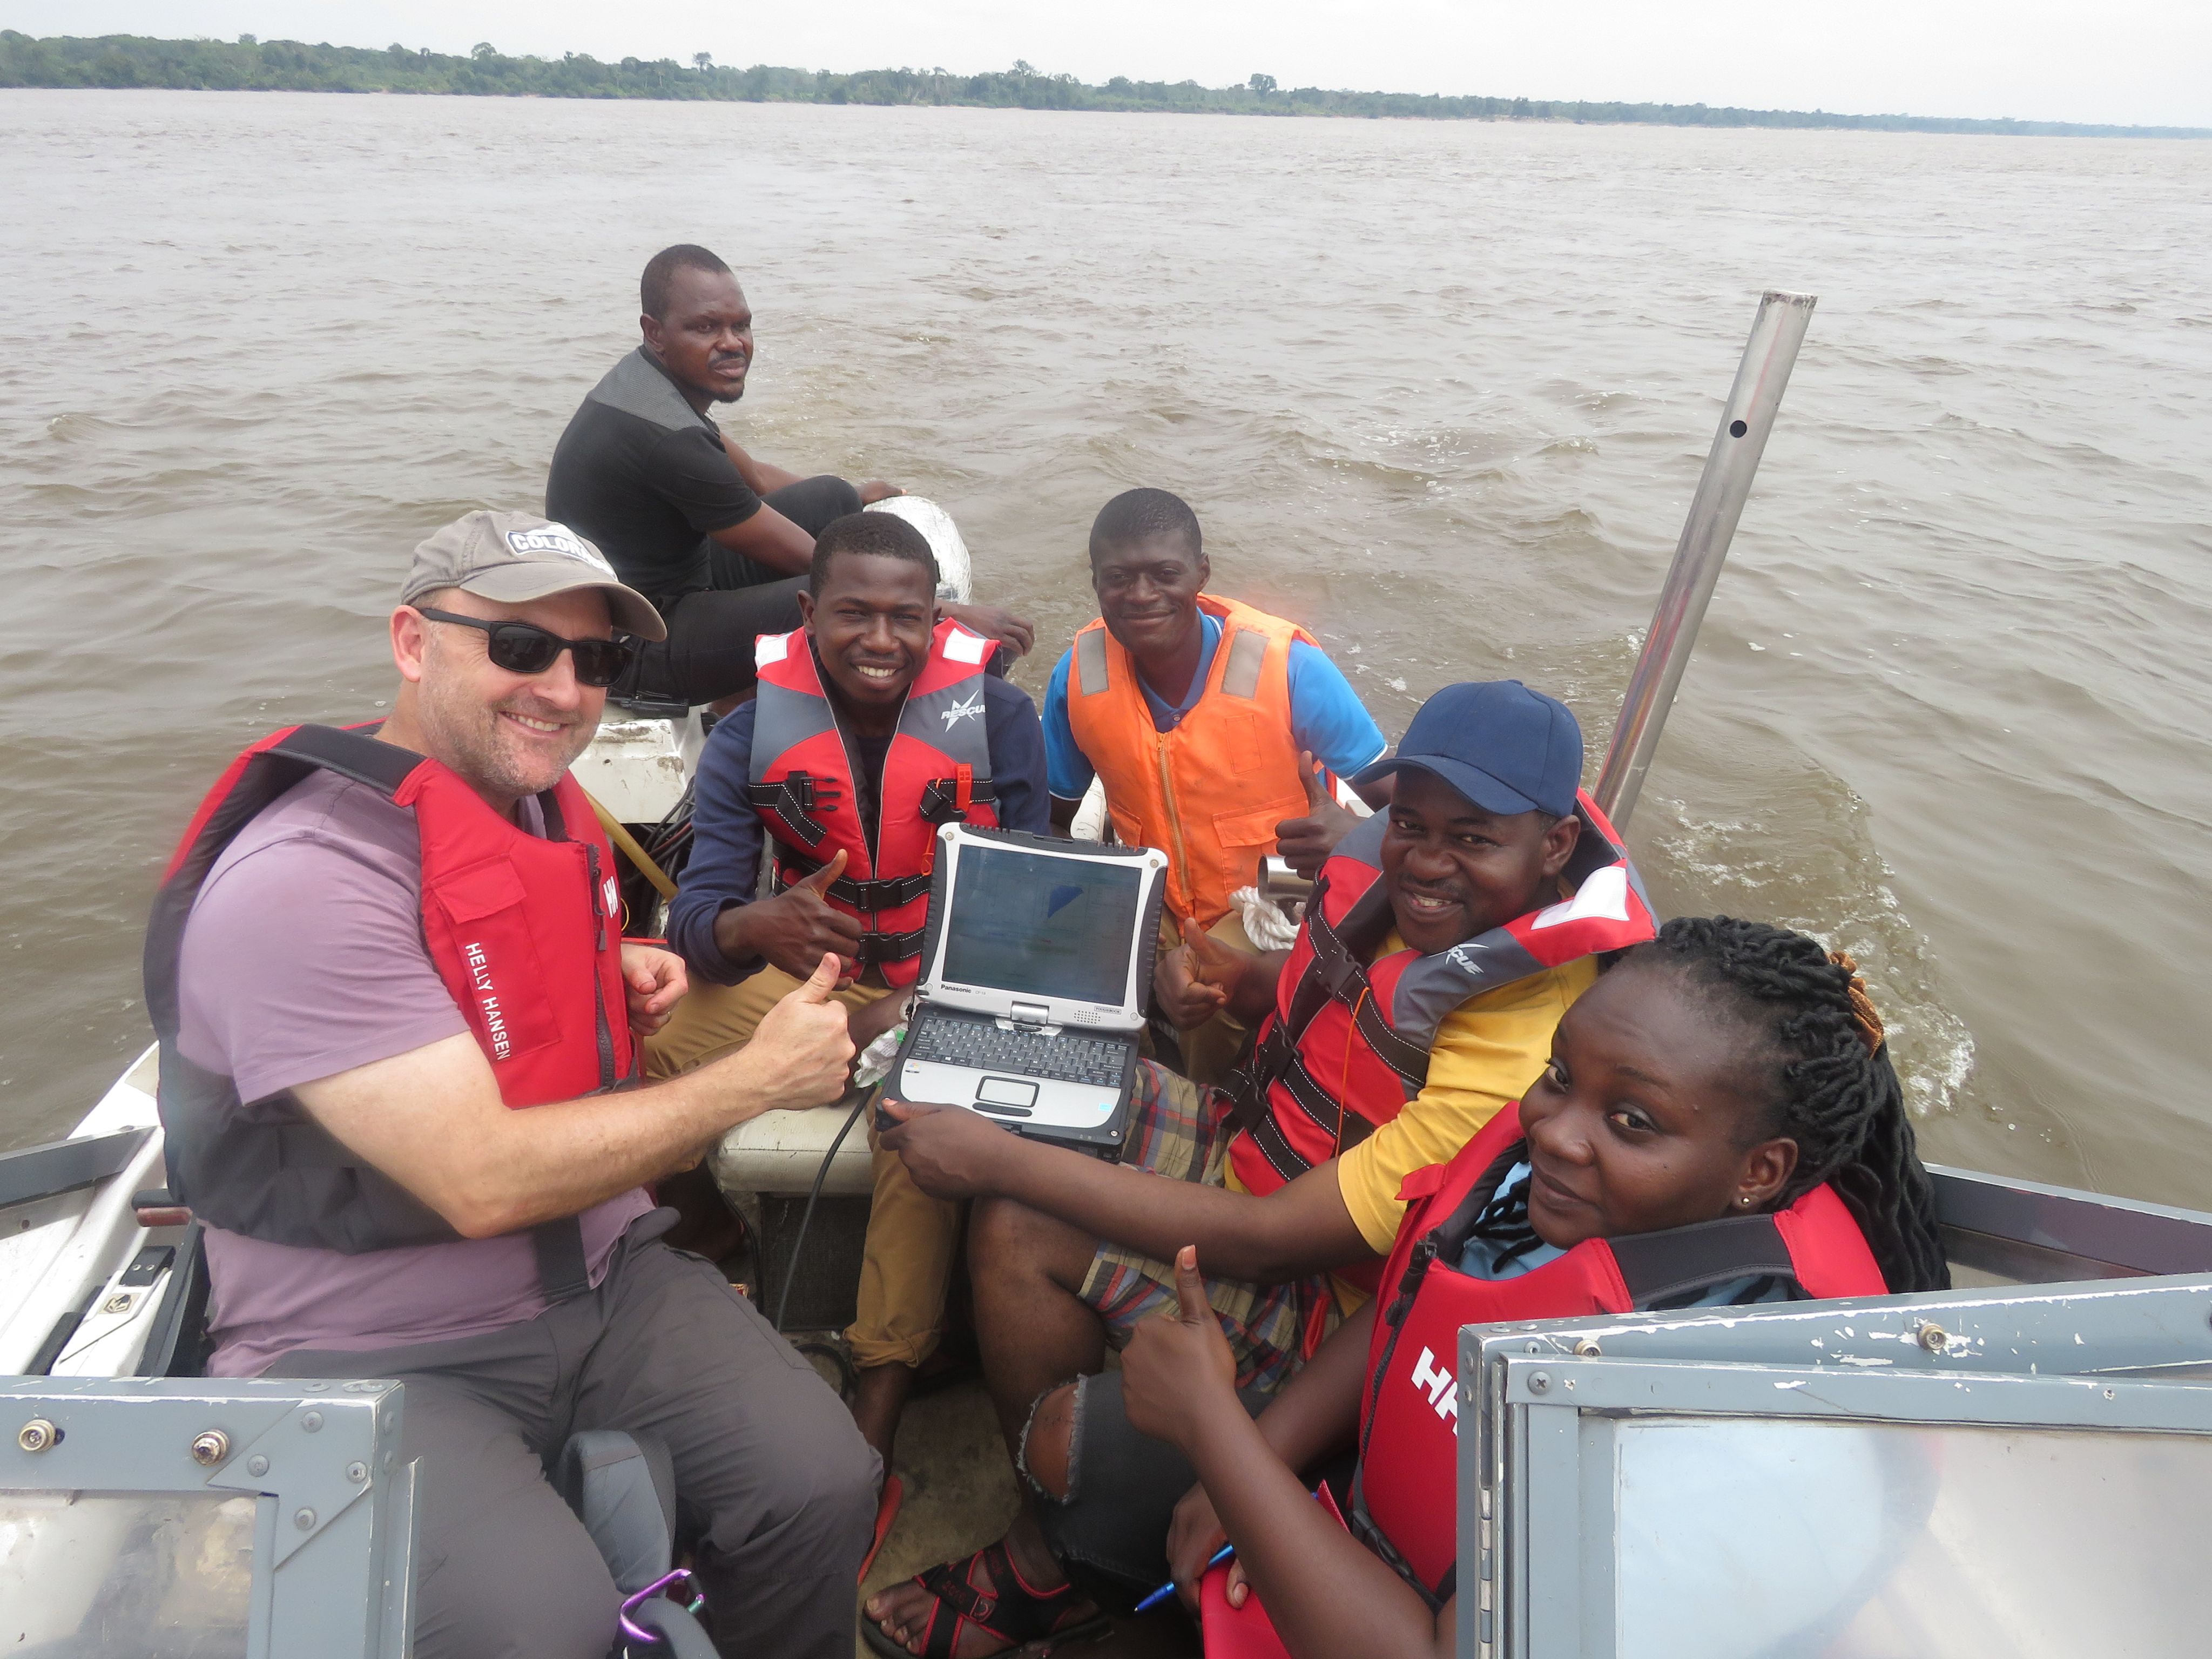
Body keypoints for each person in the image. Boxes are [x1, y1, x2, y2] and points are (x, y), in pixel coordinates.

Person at [144, 510, 877, 1659]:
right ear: (409, 641)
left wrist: (613, 969)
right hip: (373, 1343)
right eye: (520, 648)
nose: (563, 690)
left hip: (597, 1278)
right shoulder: (302, 886)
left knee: (821, 1478)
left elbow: (495, 965)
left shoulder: (533, 801)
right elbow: (477, 1179)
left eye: (596, 661)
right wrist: (753, 1080)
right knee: (540, 1625)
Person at [864, 680, 1657, 1658]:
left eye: (1474, 836)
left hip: (1321, 1280)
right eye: (1411, 822)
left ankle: (1052, 1556)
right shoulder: (1423, 894)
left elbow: (1273, 1241)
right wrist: (1230, 988)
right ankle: (1005, 1383)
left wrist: (1002, 1159)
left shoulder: (1525, 1033)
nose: (1428, 860)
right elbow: (1336, 1018)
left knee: (1015, 1212)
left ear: (1555, 848)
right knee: (1003, 1090)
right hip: (1250, 1138)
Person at [1119, 916, 1951, 1659]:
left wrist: (1213, 1428)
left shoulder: (1747, 1448)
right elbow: (1424, 1291)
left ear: (1761, 1173)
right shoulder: (1564, 1177)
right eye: (1559, 1073)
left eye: (1631, 1121)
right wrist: (1254, 1461)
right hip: (1394, 1535)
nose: (1552, 1130)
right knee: (1076, 1450)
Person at [648, 510, 1050, 1470]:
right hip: (812, 980)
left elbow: (1037, 905)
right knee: (651, 1021)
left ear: (935, 618)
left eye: (904, 617)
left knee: (920, 1118)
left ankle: (878, 1385)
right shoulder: (749, 730)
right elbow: (700, 922)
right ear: (807, 612)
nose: (880, 640)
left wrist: (920, 1006)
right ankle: (667, 1230)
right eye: (853, 614)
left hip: (949, 985)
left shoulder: (1001, 721)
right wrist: (756, 922)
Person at [546, 242, 1033, 705]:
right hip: (629, 643)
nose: (731, 344)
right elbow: (824, 569)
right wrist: (939, 613)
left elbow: (752, 476)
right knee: (820, 601)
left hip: (667, 585)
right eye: (706, 328)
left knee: (829, 498)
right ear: (655, 332)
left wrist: (853, 495)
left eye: (742, 325)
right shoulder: (668, 437)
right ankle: (780, 720)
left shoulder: (652, 391)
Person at [1042, 487, 1391, 1083]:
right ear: (1095, 581)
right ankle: (1136, 1084)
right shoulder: (1078, 672)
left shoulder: (1288, 666)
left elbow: (1400, 802)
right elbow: (1057, 812)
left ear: (1201, 574)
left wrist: (1355, 833)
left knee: (1205, 989)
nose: (1142, 595)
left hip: (1276, 886)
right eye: (1119, 577)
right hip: (1157, 888)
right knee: (1068, 980)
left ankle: (1209, 1111)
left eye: (1165, 574)